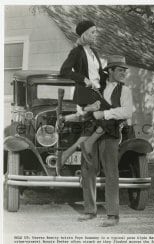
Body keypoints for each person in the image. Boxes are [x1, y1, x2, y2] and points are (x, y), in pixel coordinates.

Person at [78, 55, 133, 227]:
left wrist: (105, 114)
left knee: (111, 173)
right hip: (92, 133)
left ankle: (113, 215)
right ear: (110, 71)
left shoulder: (125, 91)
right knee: (88, 170)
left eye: (125, 70)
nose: (123, 73)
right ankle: (89, 211)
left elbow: (126, 112)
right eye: (120, 70)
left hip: (110, 135)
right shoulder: (98, 88)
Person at [60, 20, 122, 165]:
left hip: (97, 93)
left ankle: (70, 151)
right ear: (85, 34)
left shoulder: (93, 52)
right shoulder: (76, 52)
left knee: (112, 117)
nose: (96, 35)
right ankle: (86, 144)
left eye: (95, 32)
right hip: (85, 93)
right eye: (93, 32)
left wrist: (113, 78)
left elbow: (100, 73)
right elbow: (64, 71)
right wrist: (83, 79)